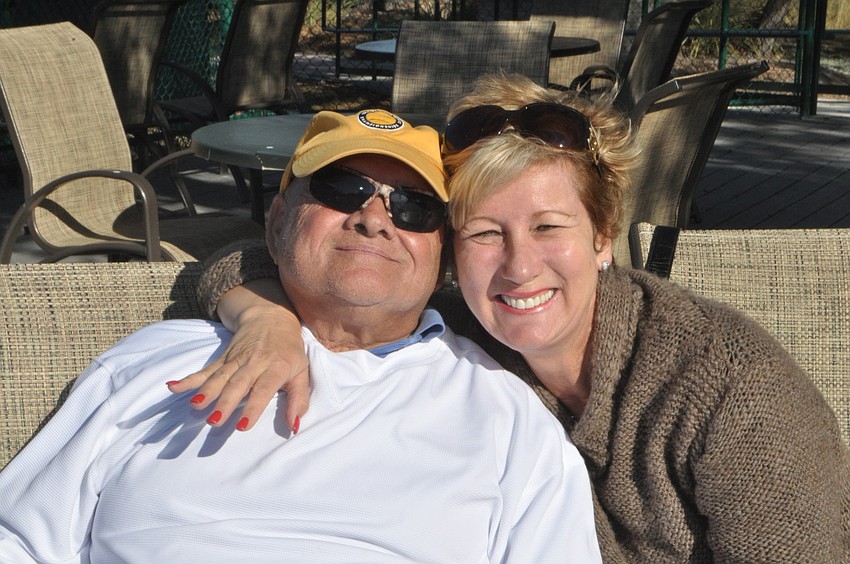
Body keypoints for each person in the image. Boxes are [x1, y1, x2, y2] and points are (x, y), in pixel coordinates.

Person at [175, 75, 850, 562]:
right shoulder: (457, 331)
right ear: (449, 256)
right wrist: (266, 321)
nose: (519, 268)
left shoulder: (727, 386)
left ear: (602, 234)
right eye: (486, 234)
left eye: (548, 226)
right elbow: (241, 262)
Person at [0, 109, 603, 563]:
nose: (374, 217)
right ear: (279, 220)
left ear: (442, 256)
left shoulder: (503, 410)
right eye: (343, 189)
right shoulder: (152, 364)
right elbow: (20, 537)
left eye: (415, 208)